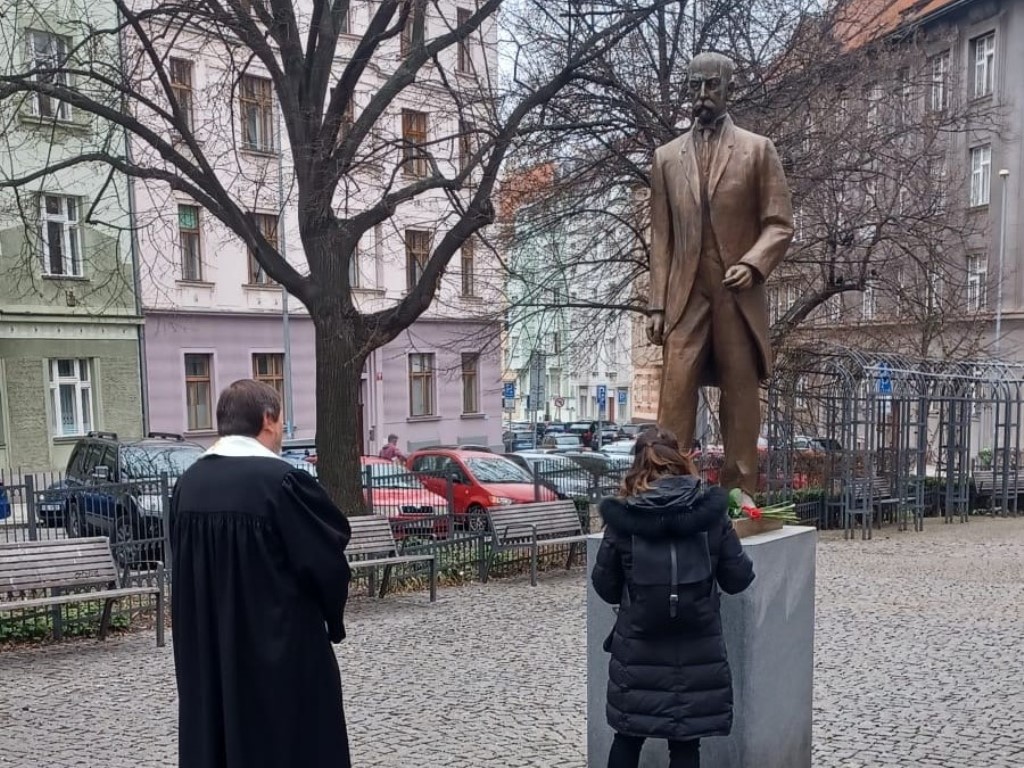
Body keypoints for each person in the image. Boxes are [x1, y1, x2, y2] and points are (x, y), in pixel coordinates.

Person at [170, 379, 353, 768]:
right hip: (278, 650)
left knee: (218, 736)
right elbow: (326, 563)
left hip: (208, 650)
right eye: (282, 420)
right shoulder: (281, 482)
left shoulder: (188, 485)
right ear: (268, 419)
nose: (282, 430)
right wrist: (331, 621)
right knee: (288, 742)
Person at [647, 51, 793, 506]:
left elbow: (780, 224)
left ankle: (740, 491)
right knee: (674, 393)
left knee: (740, 395)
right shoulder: (666, 158)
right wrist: (656, 304)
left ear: (730, 88)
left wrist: (753, 264)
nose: (702, 94)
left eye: (712, 85)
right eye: (695, 86)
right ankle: (666, 488)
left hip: (736, 293)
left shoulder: (757, 150)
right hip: (684, 294)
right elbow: (661, 239)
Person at [591, 427, 755, 768]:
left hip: (637, 650)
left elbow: (605, 586)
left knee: (628, 737)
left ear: (636, 466)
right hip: (698, 651)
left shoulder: (623, 519)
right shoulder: (711, 514)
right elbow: (738, 579)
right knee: (685, 745)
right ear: (681, 461)